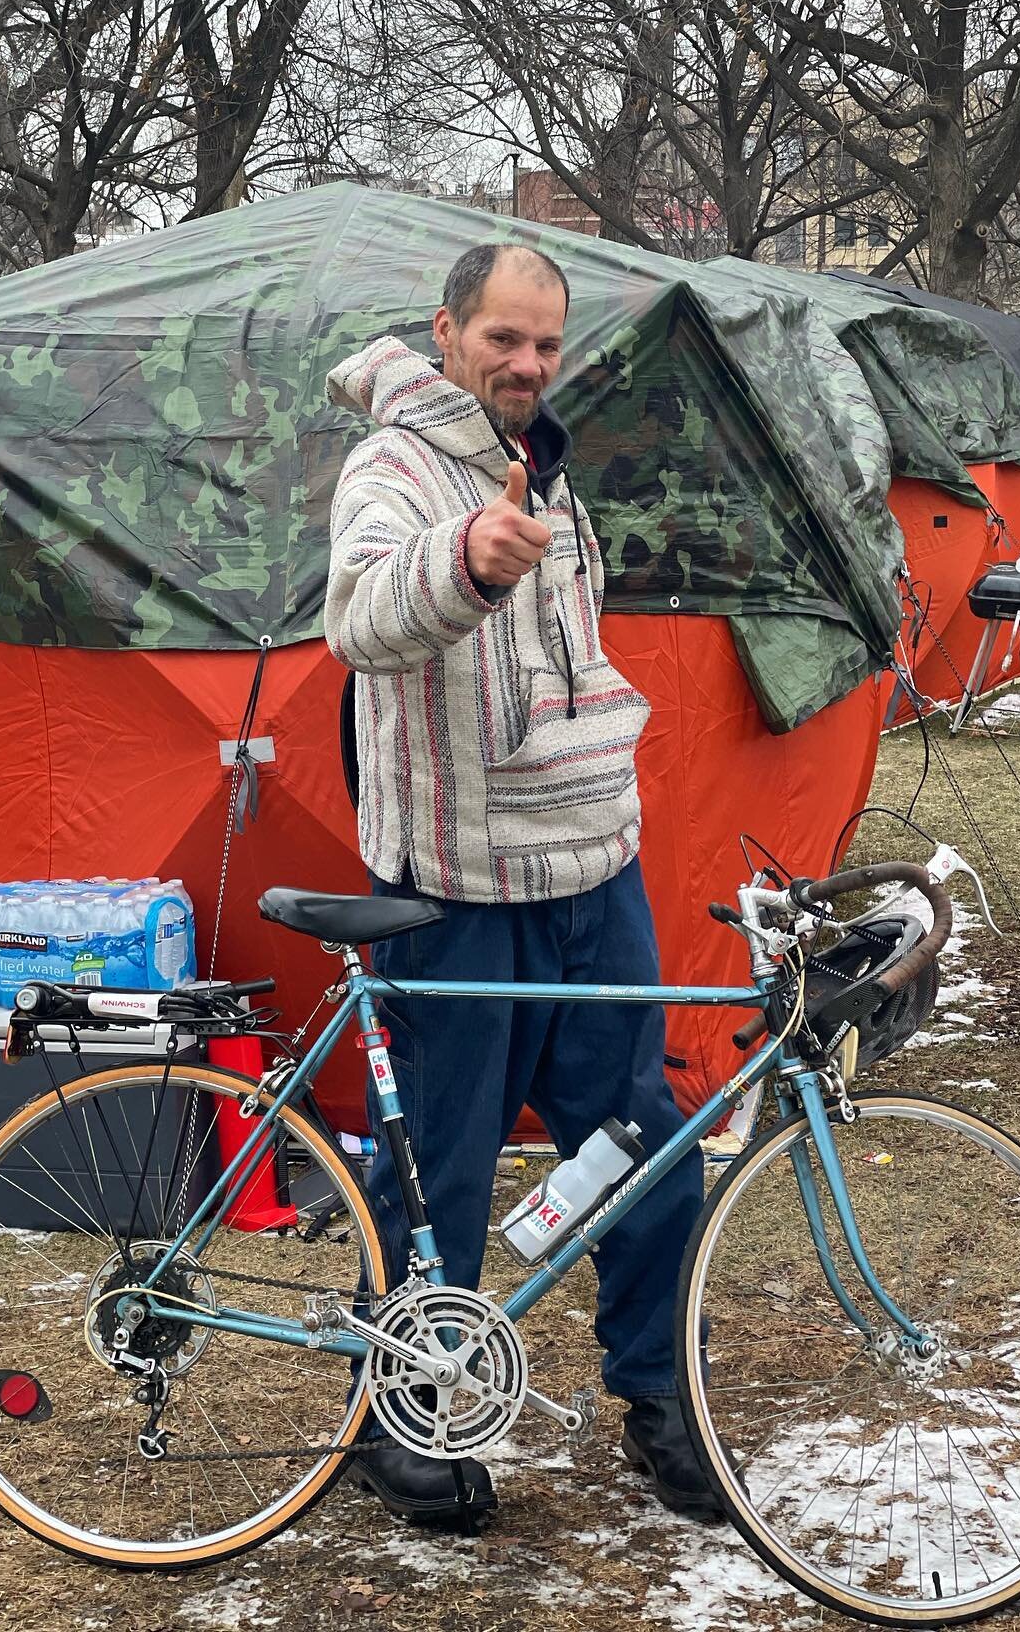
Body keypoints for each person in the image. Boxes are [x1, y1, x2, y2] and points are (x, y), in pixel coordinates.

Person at [324, 243, 713, 1530]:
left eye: (545, 344)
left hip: (594, 870)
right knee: (437, 1166)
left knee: (644, 1147)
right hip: (455, 888)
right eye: (502, 338)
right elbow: (363, 615)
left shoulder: (549, 465)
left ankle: (657, 1396)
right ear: (447, 332)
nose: (527, 364)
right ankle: (397, 1412)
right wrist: (469, 560)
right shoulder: (391, 468)